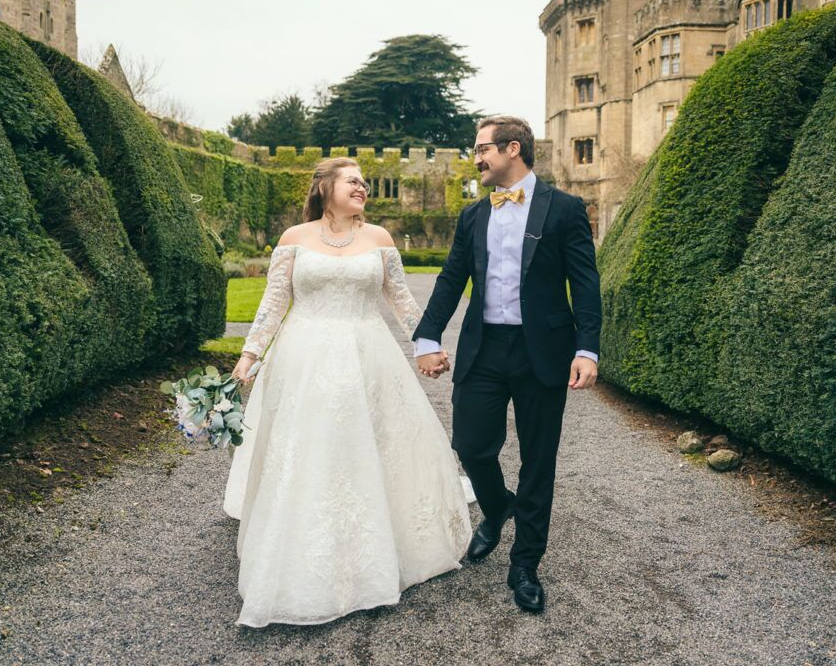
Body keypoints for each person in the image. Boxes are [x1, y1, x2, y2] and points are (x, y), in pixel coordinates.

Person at [224, 157, 472, 628]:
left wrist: (428, 347)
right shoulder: (294, 239)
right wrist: (249, 356)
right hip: (303, 358)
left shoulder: (379, 239)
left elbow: (402, 301)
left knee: (372, 443)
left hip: (368, 356)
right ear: (325, 187)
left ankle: (379, 542)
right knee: (308, 447)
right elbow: (273, 303)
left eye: (364, 183)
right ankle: (296, 539)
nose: (362, 189)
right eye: (353, 181)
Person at [413, 115, 602, 613]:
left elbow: (584, 284)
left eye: (481, 149)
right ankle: (497, 508)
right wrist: (427, 336)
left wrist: (587, 349)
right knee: (471, 445)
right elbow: (453, 279)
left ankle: (525, 565)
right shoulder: (474, 215)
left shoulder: (564, 210)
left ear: (511, 149)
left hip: (544, 352)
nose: (475, 158)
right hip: (484, 348)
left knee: (539, 461)